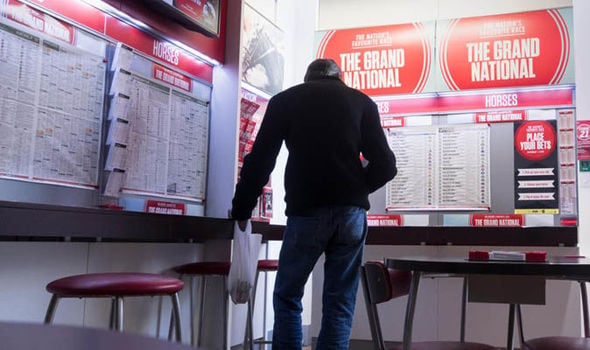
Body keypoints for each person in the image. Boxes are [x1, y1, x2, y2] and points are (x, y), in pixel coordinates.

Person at [230, 58, 397, 349]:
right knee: (339, 300)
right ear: (339, 79)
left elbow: (260, 160)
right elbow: (386, 165)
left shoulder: (286, 101)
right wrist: (355, 190)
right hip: (351, 217)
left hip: (306, 212)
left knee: (288, 295)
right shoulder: (362, 104)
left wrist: (243, 207)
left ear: (308, 79)